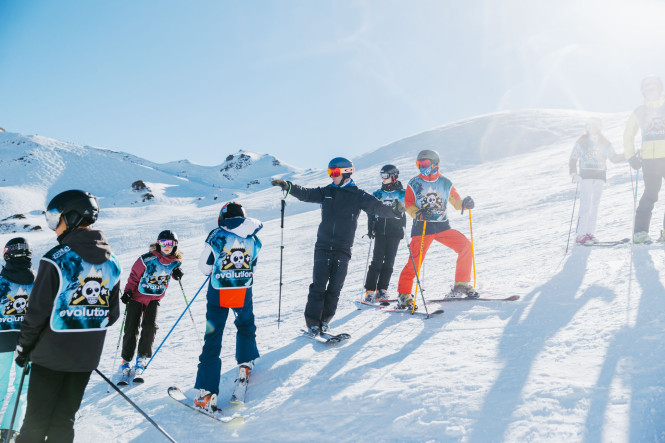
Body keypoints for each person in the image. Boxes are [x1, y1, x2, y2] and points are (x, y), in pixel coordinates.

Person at [15, 190, 121, 443]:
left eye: (55, 219)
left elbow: (36, 314)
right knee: (64, 420)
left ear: (72, 217)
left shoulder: (55, 260)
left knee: (35, 422)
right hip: (85, 359)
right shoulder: (112, 262)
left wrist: (24, 348)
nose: (53, 228)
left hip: (50, 358)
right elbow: (112, 315)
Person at [271, 157, 405, 335]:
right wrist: (289, 186)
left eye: (334, 173)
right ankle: (312, 322)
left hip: (343, 248)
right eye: (330, 172)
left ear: (346, 173)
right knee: (318, 286)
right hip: (323, 246)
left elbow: (377, 207)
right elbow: (306, 194)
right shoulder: (326, 192)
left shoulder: (359, 195)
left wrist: (395, 211)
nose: (331, 177)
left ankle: (325, 321)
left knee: (334, 288)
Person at [193, 202, 262, 412]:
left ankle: (207, 393)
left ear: (221, 218)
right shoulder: (253, 238)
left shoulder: (216, 236)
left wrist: (216, 269)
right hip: (242, 290)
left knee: (213, 336)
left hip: (218, 292)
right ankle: (245, 363)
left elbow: (204, 267)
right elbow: (253, 262)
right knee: (245, 324)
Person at [396, 149, 476, 310]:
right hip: (423, 228)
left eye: (424, 163)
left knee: (465, 246)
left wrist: (465, 204)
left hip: (442, 226)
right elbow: (409, 205)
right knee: (415, 261)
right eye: (419, 163)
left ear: (434, 164)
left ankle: (461, 283)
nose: (421, 166)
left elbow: (456, 202)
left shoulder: (446, 183)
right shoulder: (414, 183)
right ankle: (404, 295)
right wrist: (417, 213)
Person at [119, 230, 183, 379]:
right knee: (131, 328)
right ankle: (126, 359)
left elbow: (171, 271)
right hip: (136, 298)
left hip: (154, 299)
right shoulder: (146, 259)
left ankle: (141, 358)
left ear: (175, 245)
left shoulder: (175, 262)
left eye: (171, 244)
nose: (167, 246)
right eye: (164, 243)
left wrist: (177, 273)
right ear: (158, 243)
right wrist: (128, 292)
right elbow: (134, 276)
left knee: (150, 327)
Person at [0, 238, 36, 440]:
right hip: (28, 342)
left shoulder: (1, 282)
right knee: (23, 385)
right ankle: (9, 429)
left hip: (2, 339)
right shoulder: (39, 280)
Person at [569, 117, 625, 244]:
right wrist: (573, 174)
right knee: (586, 205)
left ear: (599, 127)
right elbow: (573, 158)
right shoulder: (581, 141)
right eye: (590, 126)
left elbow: (614, 157)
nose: (592, 128)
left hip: (599, 176)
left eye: (595, 126)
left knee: (594, 205)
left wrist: (627, 156)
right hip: (586, 176)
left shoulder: (604, 141)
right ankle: (580, 235)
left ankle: (589, 233)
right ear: (586, 127)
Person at [625, 75, 665, 243]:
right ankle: (640, 233)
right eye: (646, 87)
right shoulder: (639, 111)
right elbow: (628, 135)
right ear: (643, 91)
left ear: (659, 88)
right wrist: (631, 156)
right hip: (649, 160)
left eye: (653, 86)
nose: (650, 90)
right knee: (650, 194)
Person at [364, 164, 406, 301]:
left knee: (389, 262)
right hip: (380, 230)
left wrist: (403, 226)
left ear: (394, 176)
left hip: (395, 230)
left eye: (385, 176)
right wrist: (370, 227)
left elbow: (408, 209)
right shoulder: (378, 194)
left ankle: (382, 289)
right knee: (376, 261)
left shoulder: (402, 194)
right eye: (381, 176)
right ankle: (370, 291)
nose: (383, 179)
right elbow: (371, 212)